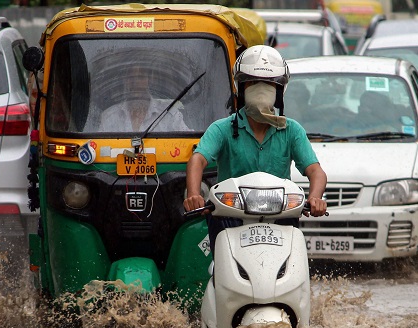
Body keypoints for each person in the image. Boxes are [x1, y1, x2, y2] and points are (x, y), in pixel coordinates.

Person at [183, 45, 328, 254]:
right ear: (241, 87)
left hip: (280, 218)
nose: (261, 90)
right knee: (221, 269)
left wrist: (315, 197)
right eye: (252, 82)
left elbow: (316, 172)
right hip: (229, 217)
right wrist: (194, 194)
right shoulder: (222, 129)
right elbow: (198, 159)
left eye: (269, 84)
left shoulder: (292, 131)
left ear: (279, 91)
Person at [97, 65, 189, 133]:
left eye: (141, 77)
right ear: (125, 81)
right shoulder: (109, 117)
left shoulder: (168, 113)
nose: (135, 82)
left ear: (149, 80)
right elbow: (96, 149)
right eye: (131, 77)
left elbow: (192, 144)